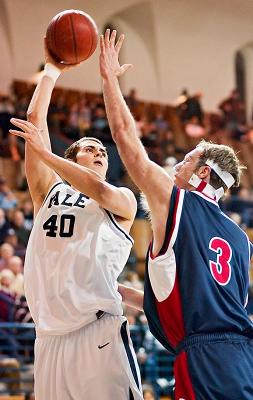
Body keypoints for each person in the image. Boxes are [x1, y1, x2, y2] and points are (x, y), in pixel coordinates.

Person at [99, 29, 253, 400]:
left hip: (206, 361)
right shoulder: (240, 240)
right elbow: (189, 300)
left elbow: (126, 140)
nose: (175, 167)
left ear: (202, 172)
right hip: (239, 357)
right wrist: (110, 291)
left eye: (184, 161)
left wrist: (108, 80)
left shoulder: (177, 203)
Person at [9, 40, 143, 400]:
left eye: (102, 151)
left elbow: (98, 191)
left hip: (96, 332)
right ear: (72, 156)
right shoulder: (48, 192)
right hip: (49, 339)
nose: (100, 153)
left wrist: (47, 155)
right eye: (90, 148)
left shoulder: (122, 199)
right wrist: (51, 71)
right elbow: (34, 126)